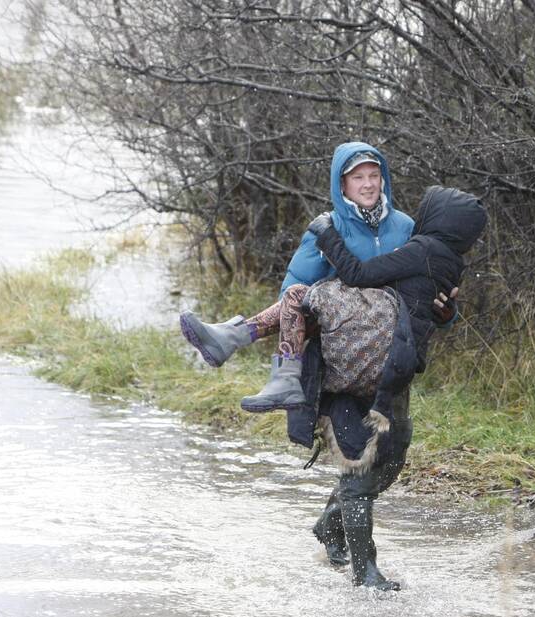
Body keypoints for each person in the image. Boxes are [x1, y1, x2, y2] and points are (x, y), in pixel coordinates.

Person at [179, 142, 457, 590]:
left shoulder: (406, 227)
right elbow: (294, 292)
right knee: (357, 463)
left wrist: (446, 311)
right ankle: (365, 569)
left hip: (389, 365)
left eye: (373, 175)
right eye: (357, 177)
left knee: (392, 456)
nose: (367, 184)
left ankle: (331, 522)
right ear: (341, 184)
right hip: (338, 368)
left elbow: (428, 292)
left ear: (383, 178)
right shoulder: (326, 230)